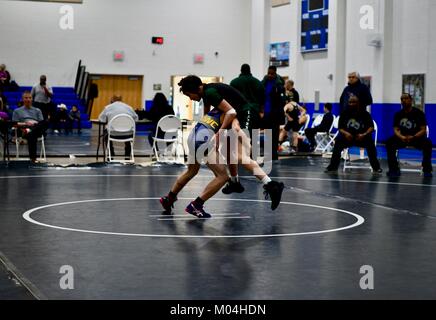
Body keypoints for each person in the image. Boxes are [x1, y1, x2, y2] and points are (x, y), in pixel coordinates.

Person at [161, 75, 284, 213]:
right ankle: (234, 182)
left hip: (245, 113)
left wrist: (222, 133)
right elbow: (209, 113)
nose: (190, 98)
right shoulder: (206, 94)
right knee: (231, 157)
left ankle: (270, 185)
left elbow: (231, 112)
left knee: (239, 157)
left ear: (198, 88)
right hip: (226, 120)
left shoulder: (210, 93)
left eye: (189, 95)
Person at [325, 96, 382, 174]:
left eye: (353, 102)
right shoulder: (344, 113)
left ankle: (376, 168)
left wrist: (364, 134)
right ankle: (332, 167)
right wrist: (346, 133)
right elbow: (340, 128)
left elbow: (371, 127)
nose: (351, 104)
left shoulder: (365, 114)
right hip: (348, 138)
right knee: (338, 143)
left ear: (358, 103)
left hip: (362, 138)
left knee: (370, 144)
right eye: (350, 102)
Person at [385, 93, 433, 178]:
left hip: (416, 138)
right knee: (389, 142)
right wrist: (401, 137)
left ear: (411, 100)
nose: (404, 100)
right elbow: (395, 129)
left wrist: (414, 136)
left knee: (428, 143)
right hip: (402, 138)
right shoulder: (398, 114)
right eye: (402, 99)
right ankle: (394, 169)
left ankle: (427, 170)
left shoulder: (419, 113)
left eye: (406, 98)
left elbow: (423, 129)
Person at [12, 91, 47, 163]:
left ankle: (29, 130)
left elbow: (42, 123)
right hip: (23, 129)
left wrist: (34, 123)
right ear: (22, 99)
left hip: (36, 128)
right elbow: (15, 124)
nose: (28, 99)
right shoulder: (17, 111)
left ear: (32, 99)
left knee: (43, 124)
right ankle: (33, 159)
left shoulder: (37, 110)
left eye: (30, 98)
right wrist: (25, 123)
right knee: (32, 134)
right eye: (26, 98)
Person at [261, 66, 286, 161]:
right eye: (269, 73)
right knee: (267, 134)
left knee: (274, 135)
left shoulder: (279, 84)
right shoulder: (264, 82)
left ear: (275, 73)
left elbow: (282, 100)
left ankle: (274, 155)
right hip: (266, 113)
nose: (270, 75)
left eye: (272, 73)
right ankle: (268, 154)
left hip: (275, 114)